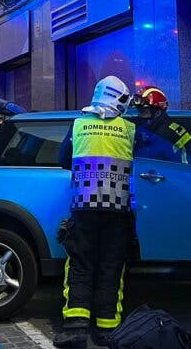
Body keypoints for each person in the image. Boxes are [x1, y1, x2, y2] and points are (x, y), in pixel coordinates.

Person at [54, 76, 136, 348]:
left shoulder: (78, 125)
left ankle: (75, 329)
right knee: (112, 266)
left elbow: (63, 159)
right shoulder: (129, 129)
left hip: (83, 208)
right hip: (118, 210)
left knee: (80, 264)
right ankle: (107, 329)